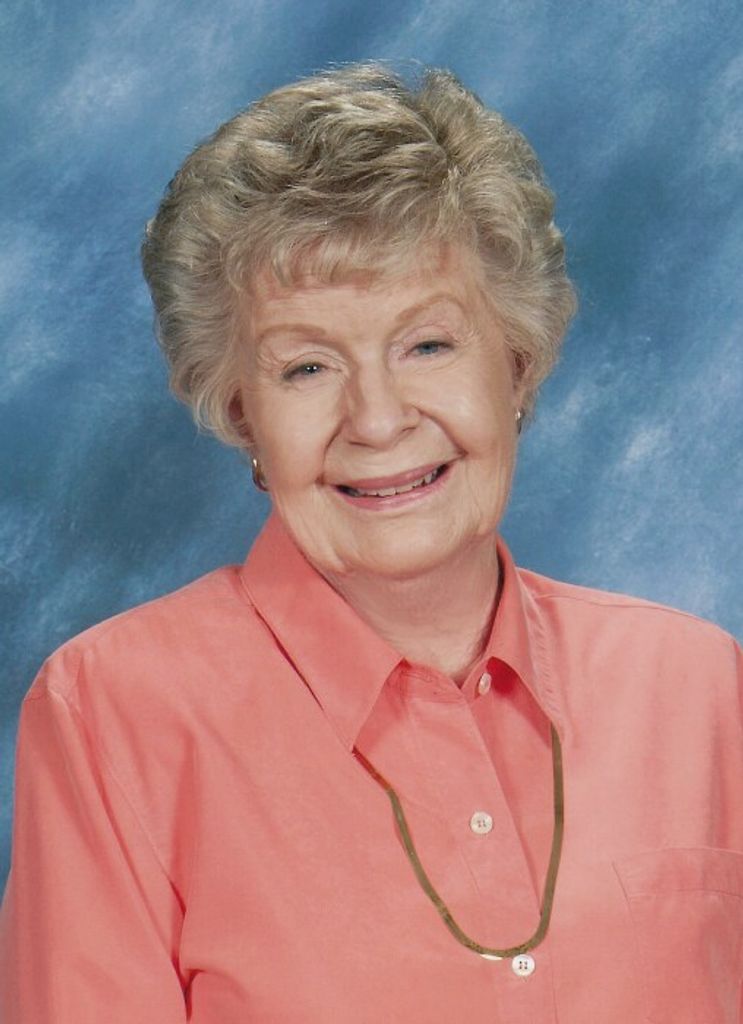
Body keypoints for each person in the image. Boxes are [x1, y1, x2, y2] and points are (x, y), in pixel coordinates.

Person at [1, 62, 741, 1024]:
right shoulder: (113, 713)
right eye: (306, 367)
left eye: (427, 345)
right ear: (241, 411)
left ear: (517, 365)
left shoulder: (698, 685)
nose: (379, 420)